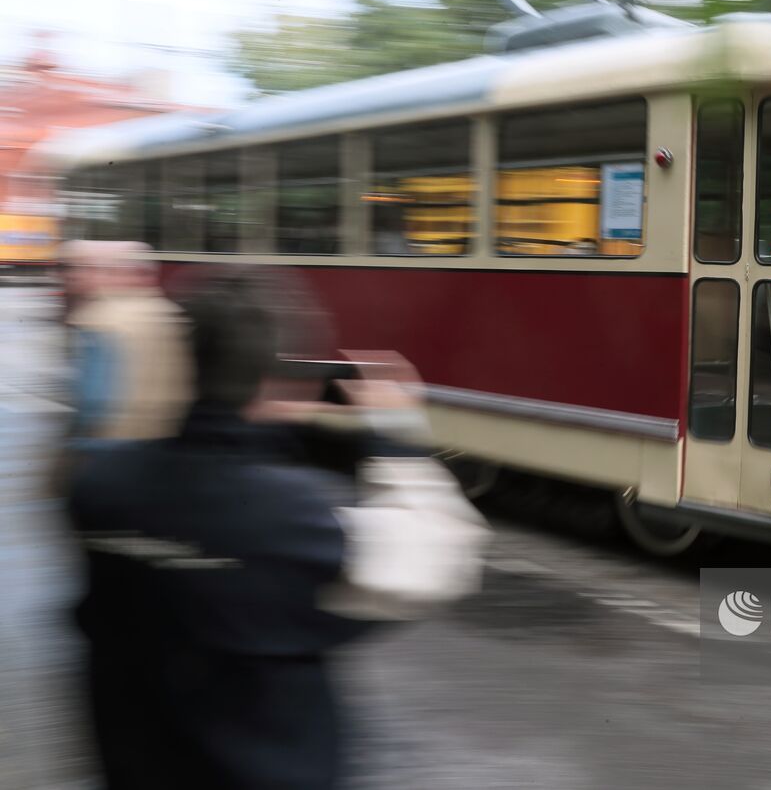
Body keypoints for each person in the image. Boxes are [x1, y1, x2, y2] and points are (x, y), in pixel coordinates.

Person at [66, 267, 486, 790]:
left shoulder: (101, 485)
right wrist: (397, 435)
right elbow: (434, 558)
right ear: (282, 377)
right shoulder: (294, 518)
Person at [57, 240, 192, 443]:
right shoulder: (168, 311)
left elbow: (93, 395)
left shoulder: (100, 318)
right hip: (160, 434)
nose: (72, 276)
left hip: (112, 438)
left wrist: (77, 437)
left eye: (82, 268)